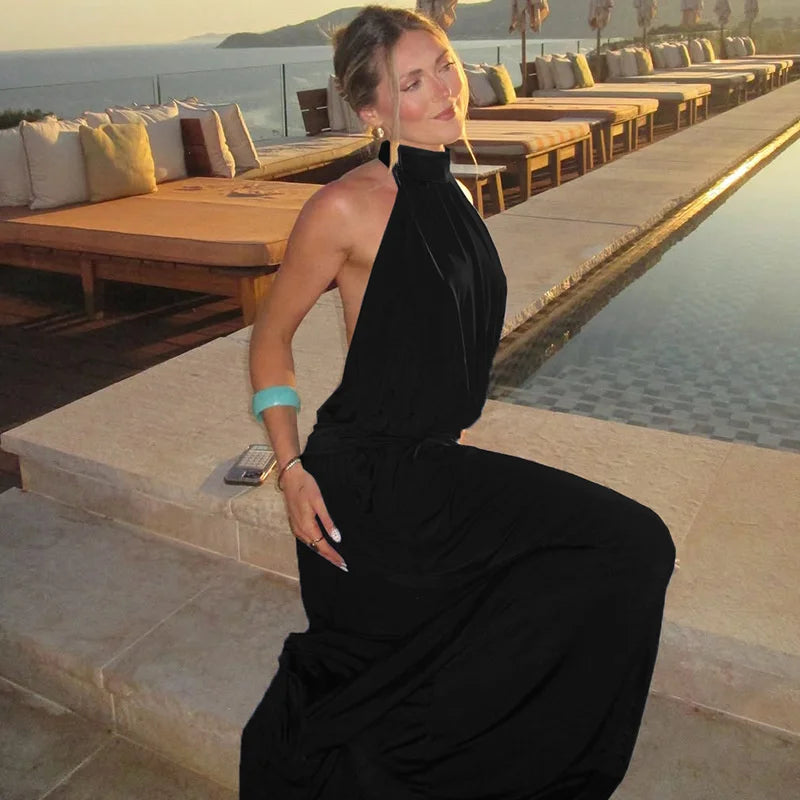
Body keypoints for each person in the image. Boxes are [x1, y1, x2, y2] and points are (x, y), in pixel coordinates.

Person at [239, 5, 675, 799]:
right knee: (634, 544)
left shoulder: (455, 190)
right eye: (414, 80)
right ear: (373, 110)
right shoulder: (346, 206)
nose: (447, 87)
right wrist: (291, 466)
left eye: (442, 63)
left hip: (427, 470)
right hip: (369, 487)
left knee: (585, 566)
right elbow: (269, 340)